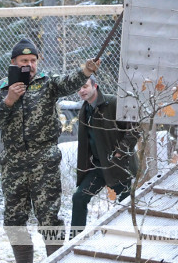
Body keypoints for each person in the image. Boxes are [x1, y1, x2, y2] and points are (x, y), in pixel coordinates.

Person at [0, 39, 100, 263]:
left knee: (49, 219)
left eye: (33, 60)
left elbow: (68, 82)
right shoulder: (2, 88)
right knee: (14, 220)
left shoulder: (48, 83)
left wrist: (85, 71)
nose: (29, 64)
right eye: (23, 61)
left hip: (43, 160)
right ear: (13, 63)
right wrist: (9, 100)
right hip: (13, 162)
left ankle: (55, 259)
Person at [70, 75, 138, 237]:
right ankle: (74, 240)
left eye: (85, 86)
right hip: (98, 167)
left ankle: (123, 244)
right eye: (78, 88)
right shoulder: (85, 109)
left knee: (124, 206)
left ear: (95, 86)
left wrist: (120, 152)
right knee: (79, 198)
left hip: (119, 167)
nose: (81, 91)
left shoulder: (113, 103)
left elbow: (135, 130)